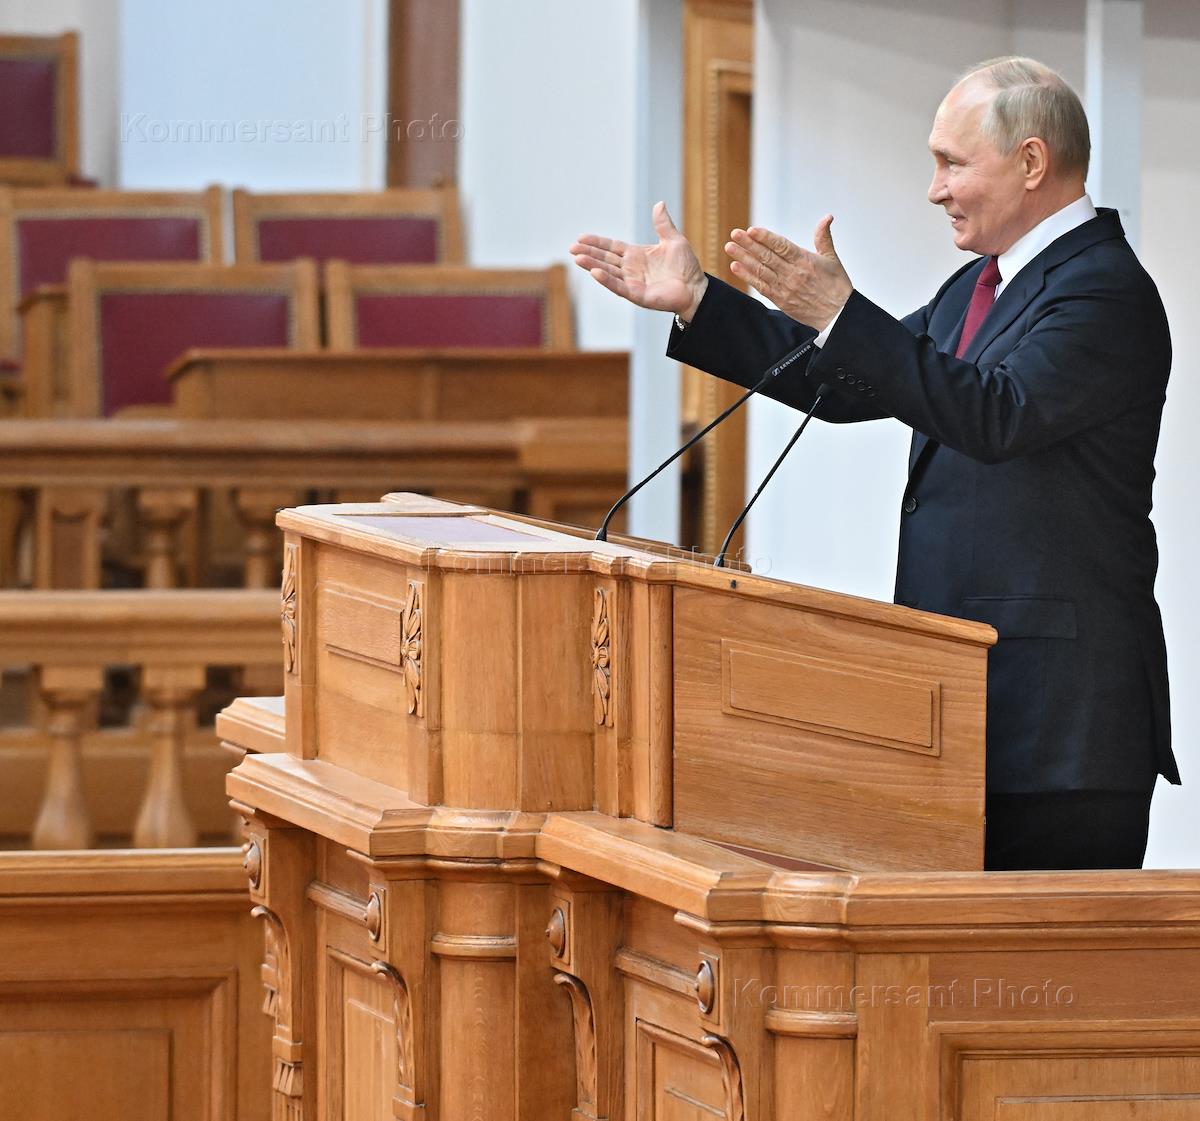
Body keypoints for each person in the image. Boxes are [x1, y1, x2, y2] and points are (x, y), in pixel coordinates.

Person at [570, 57, 1179, 871]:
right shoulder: (977, 287)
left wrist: (844, 314)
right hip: (963, 706)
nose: (935, 190)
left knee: (1032, 955)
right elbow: (846, 385)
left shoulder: (1104, 290)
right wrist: (701, 304)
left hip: (1059, 732)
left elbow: (996, 414)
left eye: (952, 163)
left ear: (1032, 162)